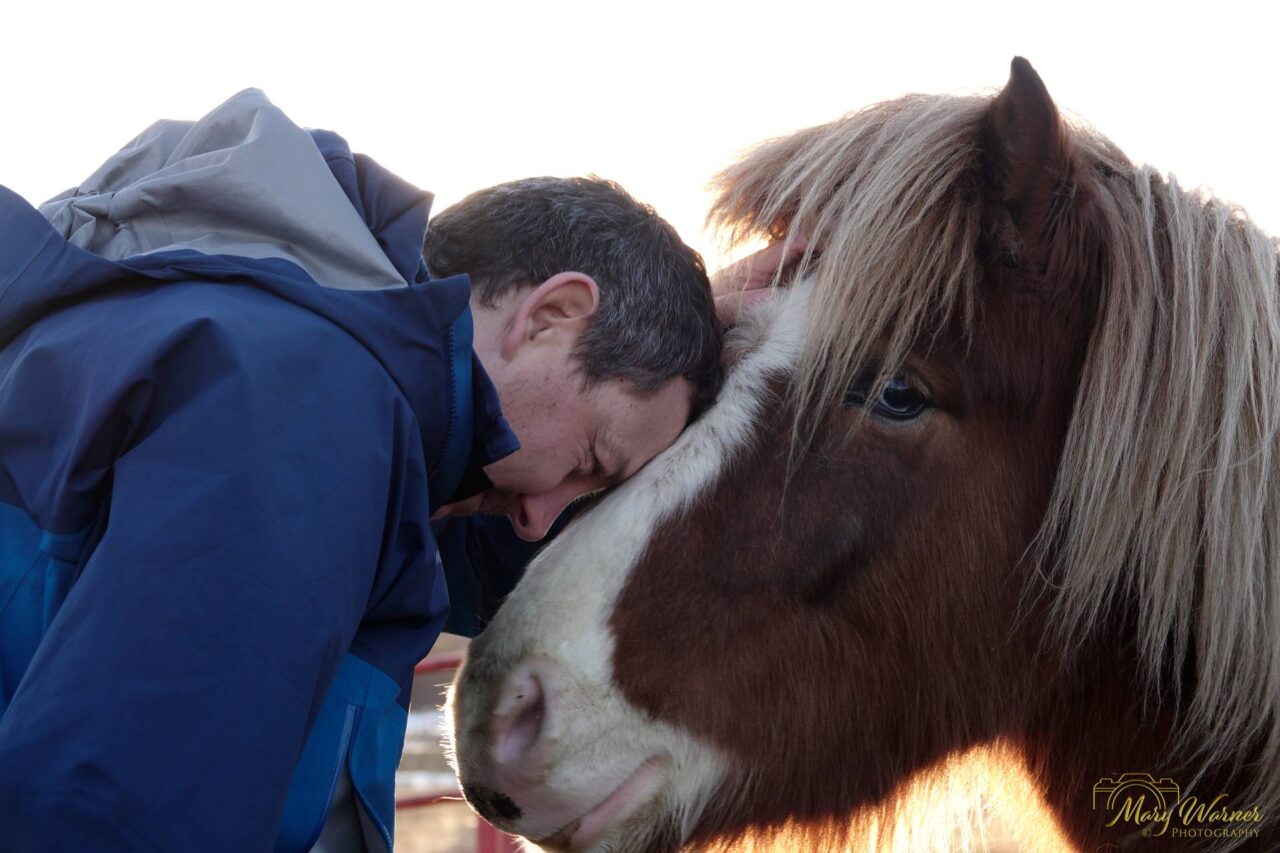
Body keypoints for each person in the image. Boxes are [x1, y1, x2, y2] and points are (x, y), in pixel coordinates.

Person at [0, 89, 727, 851]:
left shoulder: (258, 348)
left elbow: (465, 560)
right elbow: (124, 815)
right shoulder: (309, 407)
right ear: (551, 316)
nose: (542, 515)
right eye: (588, 463)